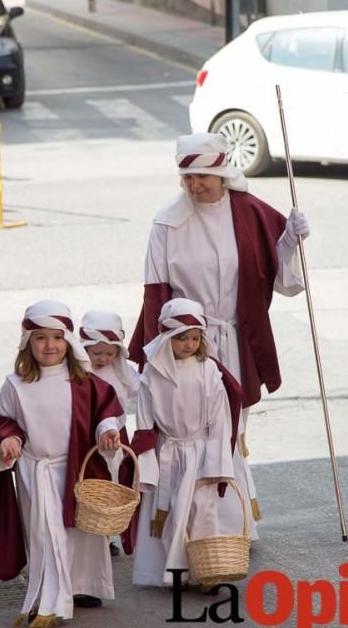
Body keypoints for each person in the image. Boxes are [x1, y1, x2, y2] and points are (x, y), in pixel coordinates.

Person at [128, 132, 310, 539]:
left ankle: (232, 526)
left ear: (222, 173)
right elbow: (155, 291)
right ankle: (191, 527)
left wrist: (290, 242)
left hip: (233, 339)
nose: (195, 185)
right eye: (187, 177)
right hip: (185, 345)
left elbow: (283, 277)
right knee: (191, 433)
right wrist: (157, 353)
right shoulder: (166, 222)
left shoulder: (250, 212)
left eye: (202, 176)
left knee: (230, 432)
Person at [0, 300, 128, 628]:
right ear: (27, 343)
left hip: (74, 467)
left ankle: (85, 586)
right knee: (44, 533)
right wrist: (10, 440)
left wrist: (107, 431)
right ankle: (48, 597)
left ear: (68, 341)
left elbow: (106, 411)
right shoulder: (15, 385)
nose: (49, 346)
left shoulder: (82, 381)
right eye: (40, 338)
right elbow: (4, 420)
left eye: (56, 337)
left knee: (79, 532)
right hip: (36, 471)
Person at [131, 298, 237, 587]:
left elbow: (219, 421)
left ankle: (206, 572)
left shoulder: (208, 371)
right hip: (167, 451)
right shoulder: (152, 373)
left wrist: (216, 463)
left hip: (199, 452)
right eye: (181, 338)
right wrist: (147, 466)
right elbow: (144, 423)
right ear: (167, 339)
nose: (189, 344)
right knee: (168, 514)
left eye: (194, 337)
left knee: (201, 509)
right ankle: (171, 572)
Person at [79, 309, 140, 555]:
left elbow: (139, 387)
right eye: (97, 353)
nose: (103, 359)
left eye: (109, 353)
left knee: (115, 483)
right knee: (93, 484)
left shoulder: (119, 369)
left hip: (118, 435)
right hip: (88, 436)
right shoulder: (81, 372)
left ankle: (109, 531)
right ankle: (94, 534)